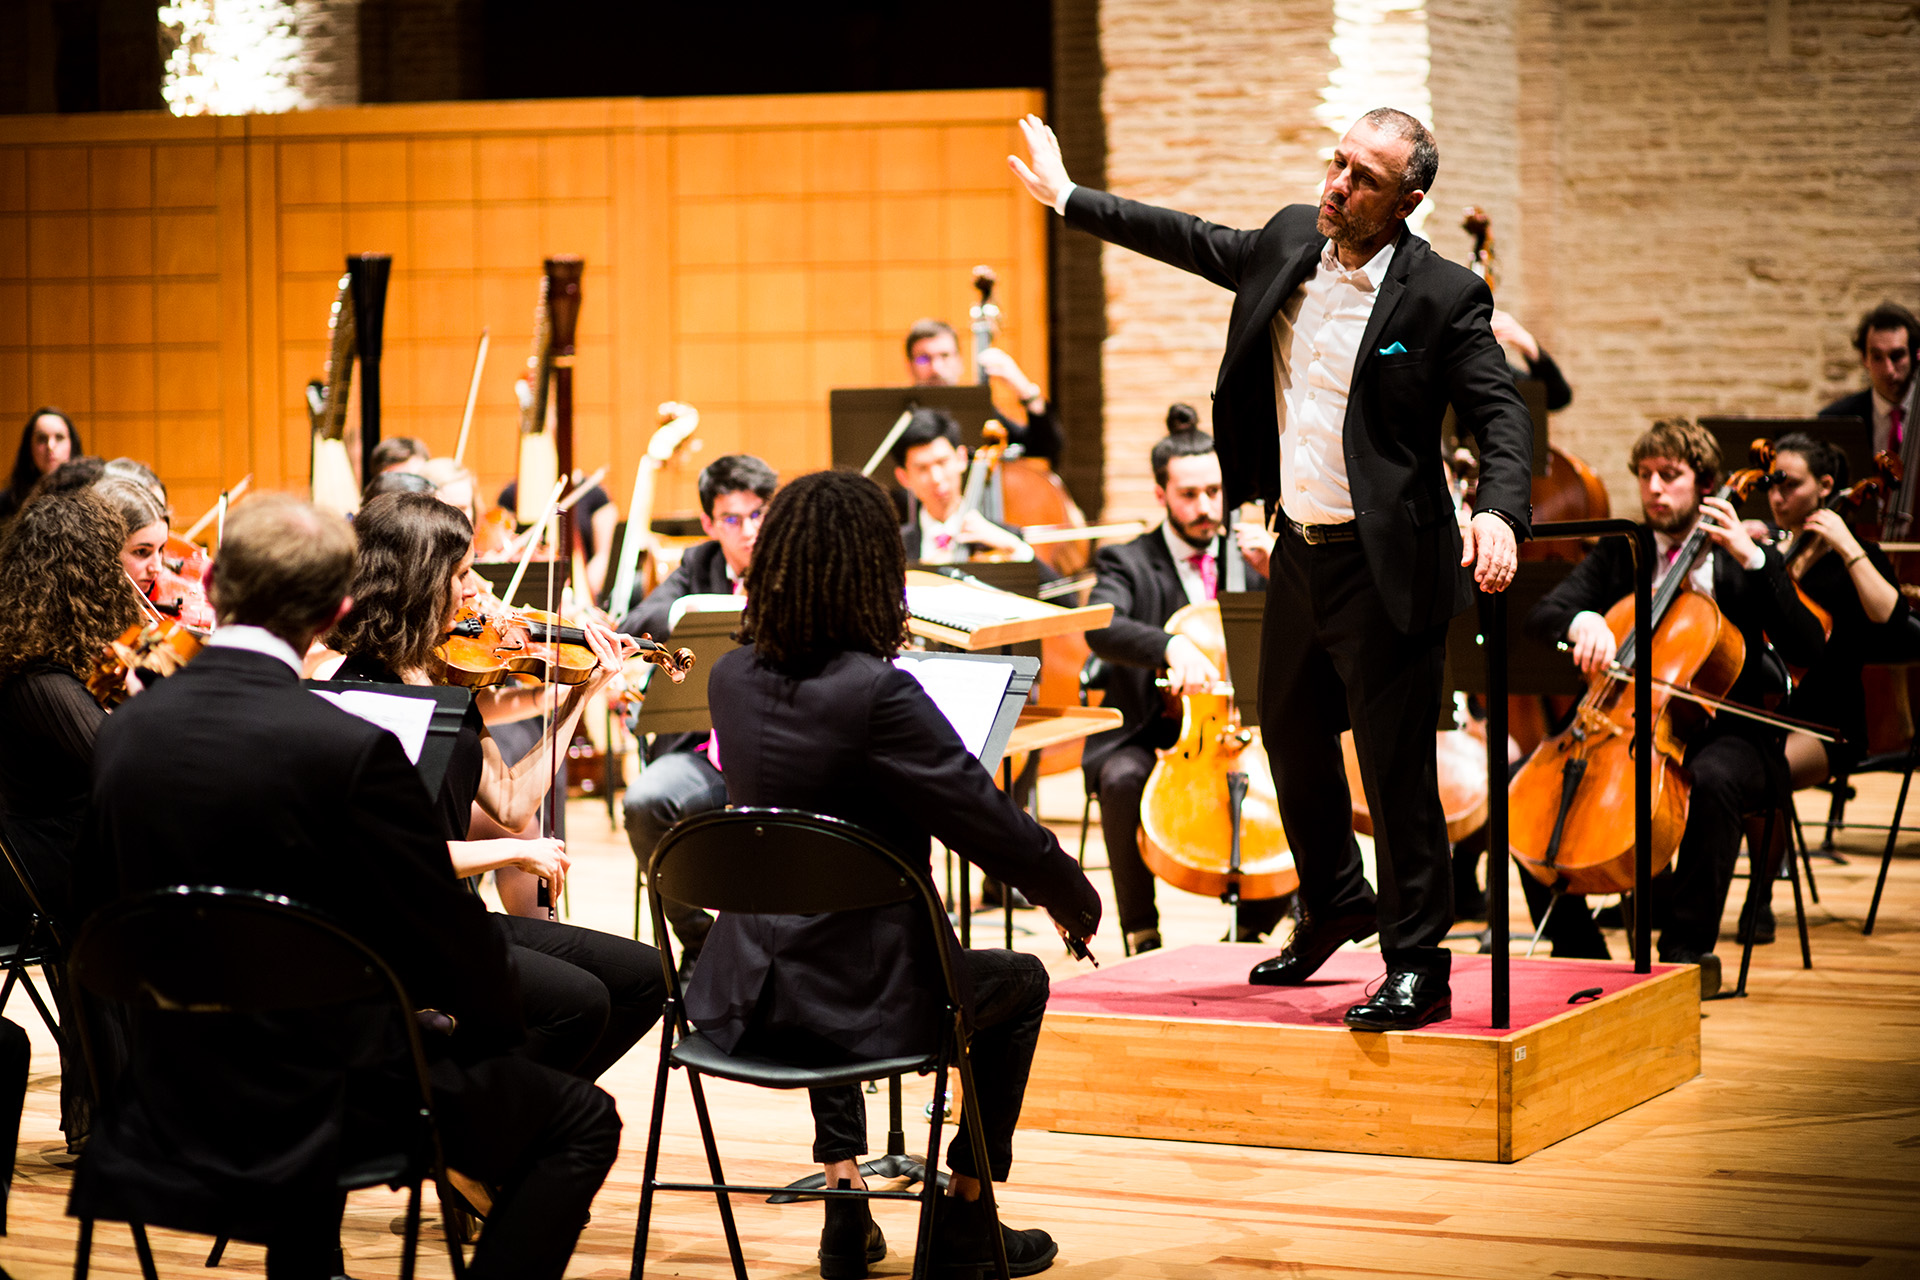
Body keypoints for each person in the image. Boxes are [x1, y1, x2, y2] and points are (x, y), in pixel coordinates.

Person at [1012, 108, 1532, 1029]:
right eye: (1337, 164)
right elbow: (1188, 238)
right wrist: (1068, 200)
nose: (1337, 184)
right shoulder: (1293, 238)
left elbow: (1501, 414)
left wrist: (1495, 510)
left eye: (1364, 177)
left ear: (1409, 199)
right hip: (1298, 553)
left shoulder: (1442, 296)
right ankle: (1335, 900)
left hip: (1390, 567)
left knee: (1395, 768)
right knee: (1289, 738)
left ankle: (1419, 962)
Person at [80, 493, 622, 1280]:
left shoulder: (125, 730)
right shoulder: (352, 745)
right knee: (580, 1122)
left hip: (162, 1089)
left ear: (219, 590)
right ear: (337, 607)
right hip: (315, 1091)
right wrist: (491, 1039)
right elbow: (457, 953)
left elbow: (94, 912)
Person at [689, 467, 1101, 1278]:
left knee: (814, 923)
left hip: (747, 994)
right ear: (874, 572)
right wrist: (1074, 895)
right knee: (1018, 984)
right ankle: (964, 1215)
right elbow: (986, 820)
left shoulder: (729, 677)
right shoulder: (879, 693)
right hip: (863, 1007)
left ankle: (846, 1205)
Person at [326, 492, 666, 1084]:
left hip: (454, 916)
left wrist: (583, 692)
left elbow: (509, 801)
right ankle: (474, 1125)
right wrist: (514, 851)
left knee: (647, 976)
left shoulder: (436, 670)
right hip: (397, 931)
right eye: (460, 575)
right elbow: (387, 862)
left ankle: (486, 1124)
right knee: (581, 1003)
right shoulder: (363, 698)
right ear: (418, 580)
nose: (474, 590)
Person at [1523, 420, 1827, 985]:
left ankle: (1685, 953)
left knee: (1712, 782)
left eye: (1670, 476)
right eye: (1645, 476)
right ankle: (1580, 951)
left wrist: (1755, 561)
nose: (1655, 489)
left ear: (1705, 482)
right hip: (1624, 724)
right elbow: (1546, 614)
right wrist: (1583, 620)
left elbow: (1807, 644)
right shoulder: (1624, 550)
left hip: (1730, 732)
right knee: (1527, 788)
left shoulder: (1746, 555)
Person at [1083, 408, 1287, 954]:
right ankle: (1140, 930)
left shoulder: (1255, 555)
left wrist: (1285, 575)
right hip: (1151, 731)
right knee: (1122, 779)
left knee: (1301, 770)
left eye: (1215, 492)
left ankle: (1263, 920)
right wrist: (1170, 645)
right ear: (1160, 494)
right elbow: (1100, 626)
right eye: (1189, 495)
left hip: (1245, 729)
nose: (1206, 508)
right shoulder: (1127, 560)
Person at [618, 453, 776, 970]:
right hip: (706, 755)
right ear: (709, 523)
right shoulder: (700, 565)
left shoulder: (796, 563)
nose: (749, 531)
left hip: (780, 748)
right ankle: (701, 944)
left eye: (759, 514)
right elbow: (638, 621)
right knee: (646, 801)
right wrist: (704, 608)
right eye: (732, 519)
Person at [905, 317, 1061, 462]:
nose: (936, 368)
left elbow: (1044, 447)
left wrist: (1023, 388)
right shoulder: (900, 416)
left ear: (960, 361)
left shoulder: (973, 407)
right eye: (923, 358)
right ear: (910, 366)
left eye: (945, 356)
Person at [892, 410, 1035, 565]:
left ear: (961, 458)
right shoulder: (894, 547)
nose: (936, 478)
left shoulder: (1004, 538)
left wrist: (1016, 547)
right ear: (903, 477)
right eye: (922, 468)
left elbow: (1057, 587)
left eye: (942, 462)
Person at [497, 470, 620, 600]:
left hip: (583, 585)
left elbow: (602, 554)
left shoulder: (596, 495)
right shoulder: (512, 494)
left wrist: (583, 594)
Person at [1820, 303, 1917, 454]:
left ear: (1915, 355)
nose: (1889, 370)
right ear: (1864, 358)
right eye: (1877, 358)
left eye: (1897, 356)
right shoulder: (1836, 420)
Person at [0, 408, 80, 522]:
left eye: (59, 437)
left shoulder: (92, 497)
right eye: (42, 438)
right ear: (29, 447)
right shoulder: (5, 503)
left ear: (72, 445)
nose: (50, 446)